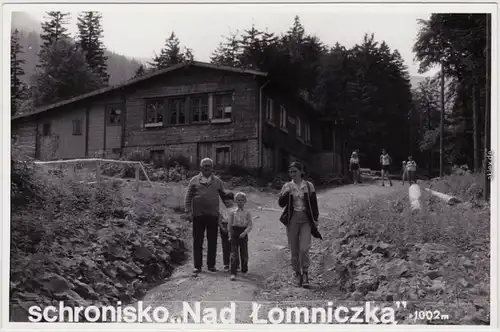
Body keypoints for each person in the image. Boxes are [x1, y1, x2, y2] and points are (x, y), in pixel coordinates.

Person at [184, 158, 234, 276]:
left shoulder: (217, 181)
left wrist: (232, 209)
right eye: (204, 166)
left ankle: (211, 265)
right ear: (201, 167)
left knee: (212, 240)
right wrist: (187, 210)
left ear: (212, 168)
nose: (207, 168)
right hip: (198, 214)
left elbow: (224, 196)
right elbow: (188, 196)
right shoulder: (194, 180)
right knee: (198, 241)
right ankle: (197, 266)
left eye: (209, 166)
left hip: (213, 214)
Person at [278, 161, 321, 289]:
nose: (293, 174)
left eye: (295, 171)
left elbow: (314, 203)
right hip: (292, 219)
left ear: (301, 171)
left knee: (304, 248)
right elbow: (281, 204)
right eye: (290, 172)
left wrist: (316, 218)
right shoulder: (287, 186)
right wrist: (287, 193)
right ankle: (298, 274)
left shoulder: (308, 185)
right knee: (294, 249)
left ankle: (306, 273)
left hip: (306, 219)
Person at [228, 192, 253, 281]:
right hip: (235, 232)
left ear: (245, 201)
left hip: (243, 232)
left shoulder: (247, 213)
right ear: (235, 201)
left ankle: (244, 270)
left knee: (244, 253)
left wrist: (245, 232)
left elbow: (250, 225)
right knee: (234, 254)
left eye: (242, 200)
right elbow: (230, 224)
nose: (240, 202)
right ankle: (233, 272)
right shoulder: (232, 212)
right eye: (238, 200)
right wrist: (229, 235)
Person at [219, 198, 235, 272]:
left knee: (233, 246)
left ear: (232, 201)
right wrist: (222, 227)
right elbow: (219, 220)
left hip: (233, 227)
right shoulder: (222, 210)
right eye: (225, 201)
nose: (227, 203)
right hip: (224, 226)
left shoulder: (235, 210)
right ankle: (226, 264)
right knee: (225, 246)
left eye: (229, 201)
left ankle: (235, 264)